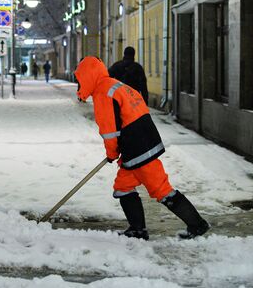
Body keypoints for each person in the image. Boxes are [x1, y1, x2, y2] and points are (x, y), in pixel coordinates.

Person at [74, 56, 209, 240]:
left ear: (88, 76)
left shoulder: (103, 93)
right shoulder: (115, 85)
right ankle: (137, 230)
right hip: (141, 142)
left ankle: (197, 224)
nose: (80, 83)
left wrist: (112, 153)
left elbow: (110, 131)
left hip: (138, 148)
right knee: (123, 187)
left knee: (162, 189)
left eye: (81, 79)